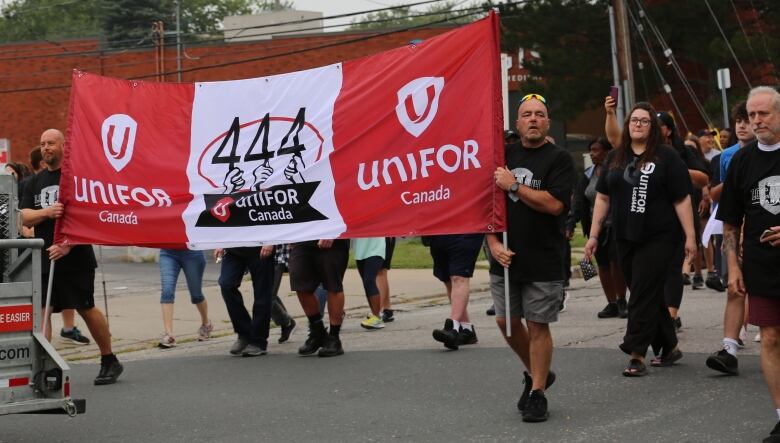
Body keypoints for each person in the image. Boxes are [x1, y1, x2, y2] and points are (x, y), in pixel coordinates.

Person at [585, 102, 696, 377]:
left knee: (643, 292)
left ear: (653, 128)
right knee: (645, 292)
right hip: (625, 235)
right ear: (628, 125)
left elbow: (681, 198)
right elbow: (603, 197)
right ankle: (669, 346)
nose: (638, 124)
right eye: (634, 120)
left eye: (644, 121)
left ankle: (636, 352)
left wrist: (691, 237)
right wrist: (593, 235)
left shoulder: (667, 157)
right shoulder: (615, 157)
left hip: (659, 236)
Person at [488, 93, 574, 422]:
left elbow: (554, 205)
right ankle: (538, 371)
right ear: (517, 122)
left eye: (540, 114)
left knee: (537, 325)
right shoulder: (503, 156)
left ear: (547, 122)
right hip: (505, 258)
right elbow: (486, 207)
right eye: (527, 115)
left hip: (544, 257)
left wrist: (513, 186)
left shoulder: (559, 159)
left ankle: (537, 391)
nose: (533, 119)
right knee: (505, 321)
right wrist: (493, 243)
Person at [21, 129, 122, 385]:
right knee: (43, 313)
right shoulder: (33, 182)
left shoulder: (77, 179)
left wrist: (69, 244)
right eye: (43, 144)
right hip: (44, 259)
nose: (46, 148)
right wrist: (46, 212)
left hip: (76, 258)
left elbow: (90, 217)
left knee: (85, 307)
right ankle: (49, 367)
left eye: (51, 143)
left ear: (64, 146)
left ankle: (109, 359)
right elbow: (24, 216)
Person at [716, 86, 780, 443]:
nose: (756, 121)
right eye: (751, 115)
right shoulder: (741, 160)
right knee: (770, 338)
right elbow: (730, 221)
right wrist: (734, 267)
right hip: (760, 266)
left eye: (764, 114)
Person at [706, 100, 755, 374]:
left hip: (768, 229)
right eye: (742, 120)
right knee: (735, 286)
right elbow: (722, 200)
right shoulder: (729, 157)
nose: (746, 124)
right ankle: (729, 349)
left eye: (755, 117)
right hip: (738, 226)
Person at [567, 137, 628, 319]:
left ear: (608, 152)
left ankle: (622, 300)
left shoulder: (617, 172)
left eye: (596, 150)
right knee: (602, 265)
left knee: (616, 263)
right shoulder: (587, 175)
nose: (592, 154)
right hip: (596, 228)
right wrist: (570, 224)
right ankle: (612, 303)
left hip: (616, 226)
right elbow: (578, 201)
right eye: (591, 150)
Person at [289, 239, 350, 357]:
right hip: (304, 236)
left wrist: (331, 234)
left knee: (333, 285)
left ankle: (334, 338)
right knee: (299, 280)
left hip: (332, 236)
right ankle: (318, 331)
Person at [214, 246, 275, 357]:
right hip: (234, 246)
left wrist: (270, 242)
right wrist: (220, 242)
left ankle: (258, 340)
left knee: (262, 292)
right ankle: (244, 333)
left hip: (260, 245)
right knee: (226, 285)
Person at [429, 233, 483, 350]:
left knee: (459, 277)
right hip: (438, 231)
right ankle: (466, 329)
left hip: (466, 230)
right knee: (448, 279)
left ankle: (452, 327)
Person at [157, 249, 213, 348]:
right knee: (167, 291)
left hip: (192, 252)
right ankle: (168, 334)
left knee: (196, 295)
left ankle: (206, 324)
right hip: (168, 252)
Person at [354, 237, 387, 329]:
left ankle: (376, 317)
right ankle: (375, 314)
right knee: (366, 282)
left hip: (375, 248)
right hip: (360, 249)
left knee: (369, 280)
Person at [269, 244, 297, 344]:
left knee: (268, 295)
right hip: (260, 252)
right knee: (265, 294)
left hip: (280, 252)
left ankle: (287, 322)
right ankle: (286, 322)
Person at [379, 237, 396, 322]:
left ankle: (377, 312)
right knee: (382, 272)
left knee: (379, 272)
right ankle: (387, 308)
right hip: (386, 234)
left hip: (384, 235)